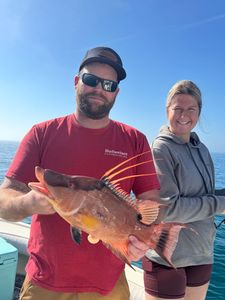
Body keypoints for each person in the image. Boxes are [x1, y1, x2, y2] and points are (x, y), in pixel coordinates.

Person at [0, 46, 160, 300]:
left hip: (110, 287)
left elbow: (152, 202)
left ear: (116, 92)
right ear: (76, 82)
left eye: (108, 84)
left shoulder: (135, 140)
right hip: (44, 283)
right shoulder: (41, 134)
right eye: (91, 80)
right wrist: (27, 202)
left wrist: (145, 239)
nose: (99, 89)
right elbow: (3, 201)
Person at [143, 80, 225, 300]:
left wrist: (222, 194)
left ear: (199, 112)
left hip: (202, 254)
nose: (183, 115)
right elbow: (168, 208)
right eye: (177, 108)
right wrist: (220, 204)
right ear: (167, 110)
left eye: (191, 109)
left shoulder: (203, 149)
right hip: (166, 257)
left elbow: (204, 193)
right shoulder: (161, 148)